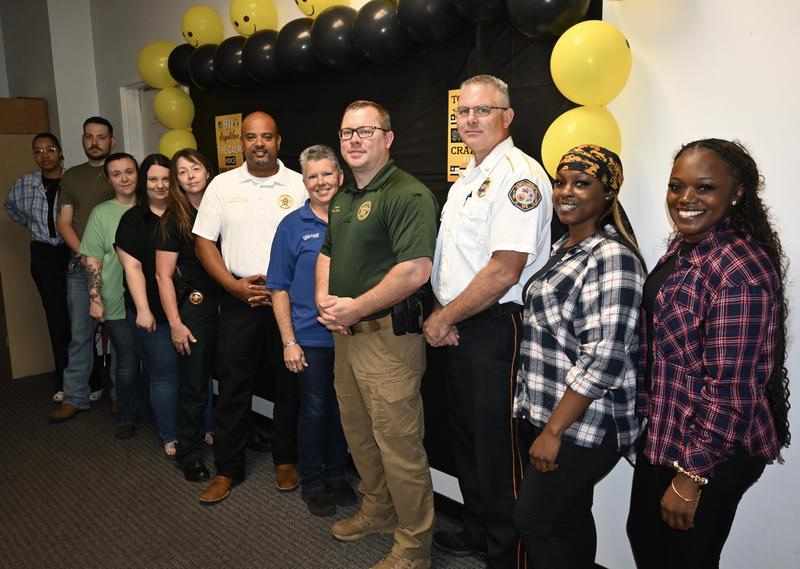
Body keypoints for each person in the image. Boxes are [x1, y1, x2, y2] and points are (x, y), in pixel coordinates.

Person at [627, 139, 791, 568]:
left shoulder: (740, 271)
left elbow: (732, 387)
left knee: (684, 559)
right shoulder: (688, 247)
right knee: (644, 539)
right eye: (676, 186)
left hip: (714, 446)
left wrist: (691, 477)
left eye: (703, 188)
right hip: (670, 428)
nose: (685, 199)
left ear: (736, 193)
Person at [424, 74, 552, 568]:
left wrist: (443, 317)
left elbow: (505, 269)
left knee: (497, 451)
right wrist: (446, 312)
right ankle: (478, 532)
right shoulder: (469, 177)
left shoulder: (519, 177)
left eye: (483, 110)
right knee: (467, 442)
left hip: (497, 327)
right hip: (462, 322)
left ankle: (508, 555)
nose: (471, 119)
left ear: (508, 116)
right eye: (465, 112)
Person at [316, 100, 438, 569]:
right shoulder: (344, 197)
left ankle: (414, 546)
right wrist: (327, 302)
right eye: (347, 133)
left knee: (399, 446)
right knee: (360, 435)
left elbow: (414, 271)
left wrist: (356, 306)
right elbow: (326, 253)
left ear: (388, 138)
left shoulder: (405, 194)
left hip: (388, 340)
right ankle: (378, 510)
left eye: (365, 131)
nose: (354, 140)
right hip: (345, 336)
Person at [512, 145, 645, 568]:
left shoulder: (612, 258)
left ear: (608, 194)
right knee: (568, 517)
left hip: (584, 424)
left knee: (533, 520)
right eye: (561, 181)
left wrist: (553, 431)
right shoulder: (564, 247)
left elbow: (604, 358)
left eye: (581, 183)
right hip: (552, 410)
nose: (566, 191)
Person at [193, 111, 306, 505]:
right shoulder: (222, 186)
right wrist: (232, 286)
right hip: (240, 296)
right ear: (241, 142)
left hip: (286, 299)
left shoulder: (299, 183)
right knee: (234, 386)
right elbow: (204, 242)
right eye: (251, 137)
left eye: (267, 137)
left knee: (289, 384)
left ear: (279, 141)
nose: (259, 143)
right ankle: (228, 468)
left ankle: (287, 459)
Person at [266, 144, 355, 517]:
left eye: (326, 174)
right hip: (311, 338)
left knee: (344, 411)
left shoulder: (356, 219)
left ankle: (338, 475)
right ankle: (314, 481)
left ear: (340, 177)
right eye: (312, 176)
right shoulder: (292, 226)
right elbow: (277, 287)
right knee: (316, 408)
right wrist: (289, 341)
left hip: (352, 334)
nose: (321, 182)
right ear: (304, 182)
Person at [155, 149, 218, 482]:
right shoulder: (173, 219)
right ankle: (190, 453)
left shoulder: (224, 206)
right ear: (176, 180)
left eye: (195, 167)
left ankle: (233, 438)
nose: (191, 175)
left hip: (232, 303)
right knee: (194, 384)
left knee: (235, 376)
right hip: (196, 307)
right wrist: (176, 324)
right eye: (182, 171)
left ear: (207, 170)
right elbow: (163, 276)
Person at [50, 116, 116, 421]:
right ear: (82, 140)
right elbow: (63, 222)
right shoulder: (72, 177)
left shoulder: (121, 172)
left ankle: (122, 396)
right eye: (89, 136)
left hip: (119, 268)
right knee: (80, 334)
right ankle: (74, 396)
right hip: (80, 268)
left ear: (111, 141)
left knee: (119, 335)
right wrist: (86, 254)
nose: (95, 142)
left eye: (101, 137)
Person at [116, 154, 180, 456]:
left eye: (166, 179)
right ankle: (169, 435)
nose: (160, 185)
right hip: (151, 312)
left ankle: (205, 428)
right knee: (164, 374)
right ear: (144, 182)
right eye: (153, 179)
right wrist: (143, 309)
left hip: (186, 310)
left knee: (198, 373)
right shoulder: (132, 219)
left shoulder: (185, 215)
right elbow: (132, 268)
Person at [4, 132, 70, 399]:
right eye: (38, 151)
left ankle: (89, 377)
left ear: (60, 152)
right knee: (55, 316)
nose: (45, 155)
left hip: (70, 250)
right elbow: (12, 208)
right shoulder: (25, 183)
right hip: (43, 252)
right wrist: (36, 227)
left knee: (79, 316)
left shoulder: (72, 181)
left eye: (50, 149)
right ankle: (63, 380)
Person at [80, 152, 141, 439]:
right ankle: (127, 414)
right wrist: (95, 299)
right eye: (117, 174)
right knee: (126, 361)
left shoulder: (151, 205)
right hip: (116, 300)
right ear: (109, 179)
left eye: (129, 171)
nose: (124, 178)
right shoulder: (101, 214)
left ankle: (154, 410)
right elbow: (92, 260)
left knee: (155, 362)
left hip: (151, 302)